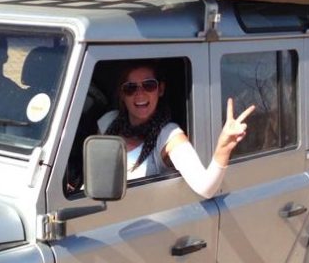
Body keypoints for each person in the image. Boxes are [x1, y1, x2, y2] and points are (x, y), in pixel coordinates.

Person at [98, 61, 254, 198]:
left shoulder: (169, 135)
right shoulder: (108, 122)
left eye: (149, 85)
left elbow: (206, 188)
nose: (140, 93)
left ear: (160, 90)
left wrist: (224, 148)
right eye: (130, 88)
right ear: (122, 94)